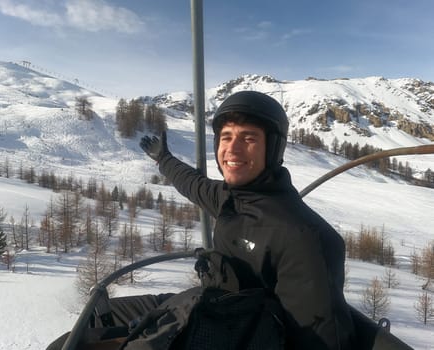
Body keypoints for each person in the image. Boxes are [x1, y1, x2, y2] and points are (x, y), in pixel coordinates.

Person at [140, 90, 355, 350]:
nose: (232, 148)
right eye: (226, 137)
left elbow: (320, 340)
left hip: (240, 336)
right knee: (97, 315)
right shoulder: (231, 198)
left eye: (248, 137)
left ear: (273, 148)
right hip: (212, 310)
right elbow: (193, 184)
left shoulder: (304, 238)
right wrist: (164, 159)